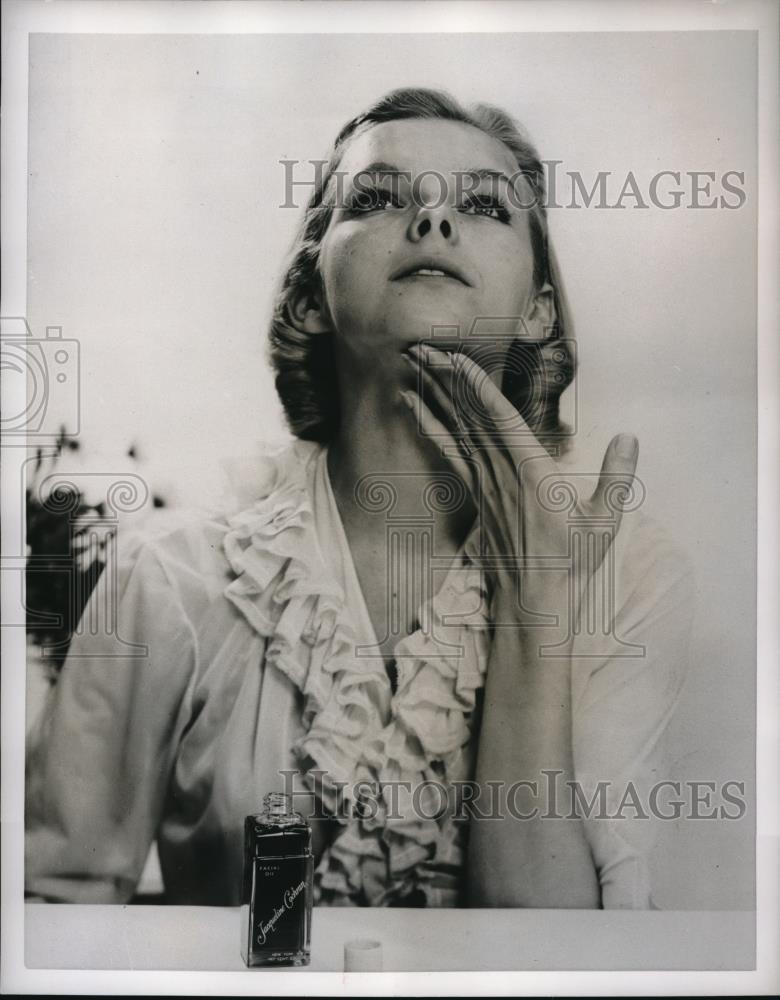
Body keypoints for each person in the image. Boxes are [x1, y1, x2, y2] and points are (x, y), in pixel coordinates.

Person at [25, 87, 695, 909]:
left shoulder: (629, 578)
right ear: (311, 295)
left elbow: (558, 950)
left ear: (536, 311)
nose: (434, 221)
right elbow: (51, 914)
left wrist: (534, 600)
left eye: (484, 207)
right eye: (377, 197)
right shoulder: (168, 580)